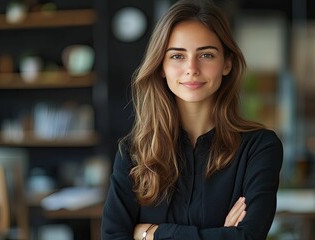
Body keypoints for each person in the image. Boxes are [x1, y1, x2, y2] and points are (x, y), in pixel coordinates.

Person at [101, 0, 283, 239]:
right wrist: (220, 235)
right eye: (177, 56)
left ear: (227, 63)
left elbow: (248, 236)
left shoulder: (259, 147)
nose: (192, 68)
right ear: (161, 67)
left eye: (206, 54)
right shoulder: (134, 152)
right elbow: (113, 236)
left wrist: (151, 233)